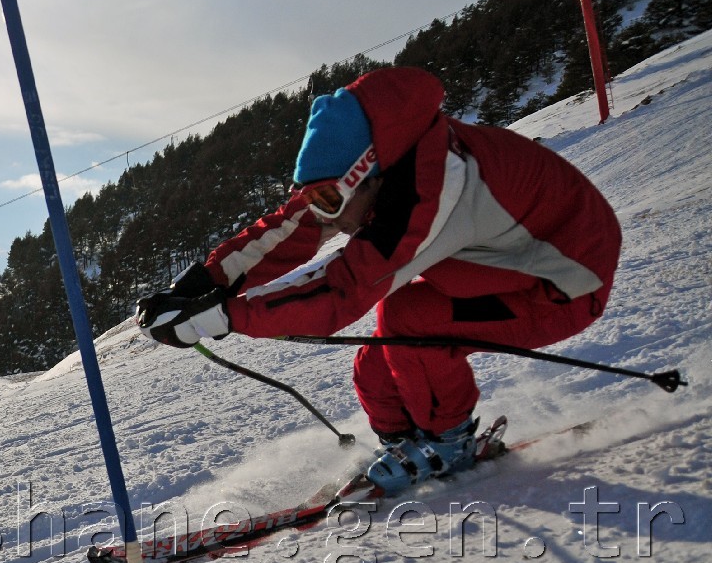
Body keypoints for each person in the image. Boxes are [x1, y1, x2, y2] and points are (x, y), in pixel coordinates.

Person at [135, 66, 621, 494]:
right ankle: (409, 443)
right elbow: (294, 228)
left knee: (408, 319)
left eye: (333, 203)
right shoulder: (385, 166)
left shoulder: (432, 189)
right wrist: (199, 285)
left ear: (369, 174)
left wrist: (221, 317)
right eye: (319, 200)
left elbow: (343, 290)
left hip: (564, 284)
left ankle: (447, 444)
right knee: (378, 360)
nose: (334, 223)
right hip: (501, 265)